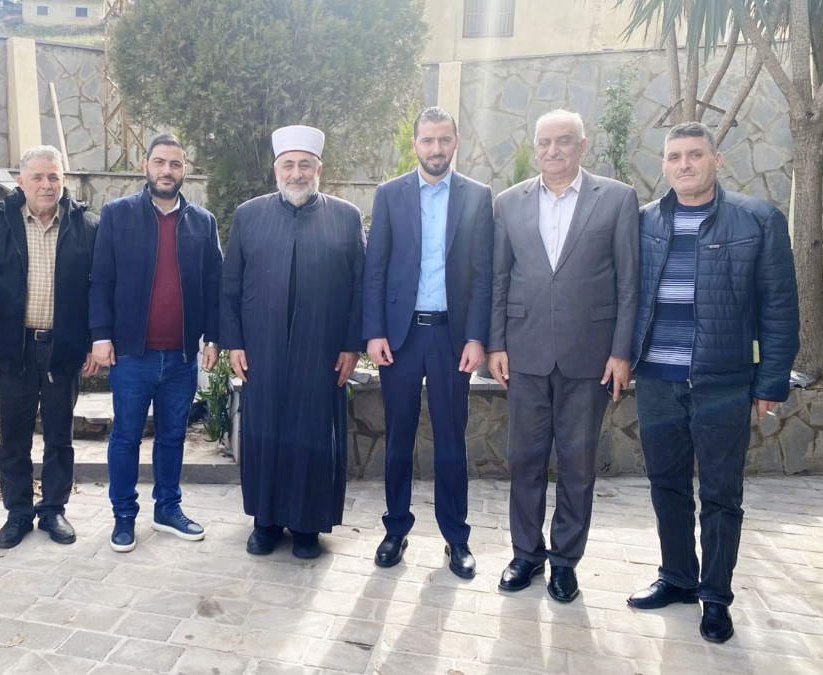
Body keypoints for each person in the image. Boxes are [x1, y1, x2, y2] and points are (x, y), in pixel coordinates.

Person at [627, 122, 798, 643]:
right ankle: (678, 577)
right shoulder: (644, 222)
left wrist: (771, 382)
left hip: (724, 383)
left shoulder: (758, 220)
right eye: (674, 156)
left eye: (695, 154)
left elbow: (779, 307)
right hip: (657, 379)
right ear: (664, 164)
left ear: (716, 160)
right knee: (667, 485)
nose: (685, 164)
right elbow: (625, 296)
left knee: (722, 494)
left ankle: (716, 596)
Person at [487, 110, 639, 601]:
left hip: (589, 356)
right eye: (544, 142)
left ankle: (565, 561)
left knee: (577, 462)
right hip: (524, 353)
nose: (552, 150)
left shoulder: (616, 199)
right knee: (524, 460)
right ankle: (526, 553)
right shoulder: (509, 203)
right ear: (535, 146)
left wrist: (621, 352)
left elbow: (629, 284)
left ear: (582, 145)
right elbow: (499, 279)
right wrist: (496, 344)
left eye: (564, 141)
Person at [221, 125, 365, 560]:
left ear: (319, 169)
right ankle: (265, 523)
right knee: (263, 432)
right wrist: (234, 343)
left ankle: (307, 526)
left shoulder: (346, 217)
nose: (297, 173)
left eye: (305, 165)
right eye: (289, 165)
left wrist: (351, 345)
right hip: (261, 348)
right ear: (276, 170)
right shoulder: (249, 215)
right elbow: (230, 286)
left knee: (313, 433)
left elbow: (361, 287)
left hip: (322, 350)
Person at [362, 107, 493, 578]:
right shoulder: (389, 194)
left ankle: (456, 537)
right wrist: (374, 331)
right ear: (415, 144)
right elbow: (375, 267)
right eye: (427, 140)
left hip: (452, 338)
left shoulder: (477, 196)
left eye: (444, 140)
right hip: (399, 338)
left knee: (451, 438)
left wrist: (476, 337)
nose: (436, 149)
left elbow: (483, 274)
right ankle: (395, 528)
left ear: (456, 141)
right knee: (397, 435)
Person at [89, 134, 222, 552]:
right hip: (132, 355)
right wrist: (100, 336)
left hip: (181, 357)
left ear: (185, 170)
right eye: (160, 162)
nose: (167, 170)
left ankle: (167, 510)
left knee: (172, 438)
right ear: (145, 165)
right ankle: (124, 517)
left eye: (175, 164)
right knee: (126, 437)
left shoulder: (203, 222)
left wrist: (215, 337)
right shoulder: (118, 214)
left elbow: (214, 285)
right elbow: (101, 280)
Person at [0, 145, 98, 549]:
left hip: (64, 349)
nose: (46, 184)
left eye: (53, 176)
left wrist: (94, 342)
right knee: (14, 438)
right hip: (14, 349)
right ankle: (18, 512)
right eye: (37, 177)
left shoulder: (87, 228)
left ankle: (54, 509)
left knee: (59, 436)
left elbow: (99, 290)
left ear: (64, 180)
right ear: (20, 181)